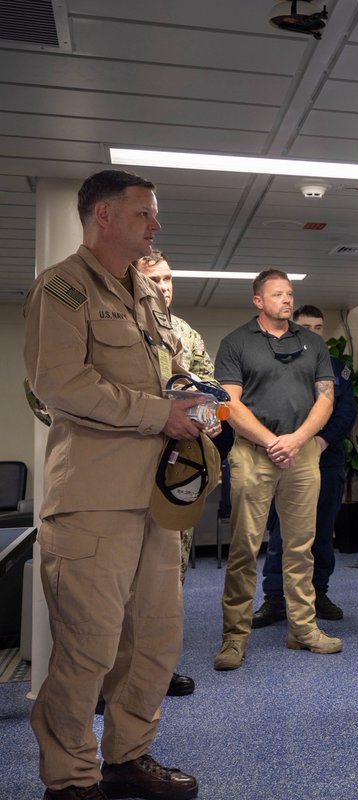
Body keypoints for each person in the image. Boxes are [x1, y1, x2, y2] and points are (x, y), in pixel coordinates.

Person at [24, 169, 205, 800]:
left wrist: (188, 395)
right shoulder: (64, 289)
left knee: (155, 641)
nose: (155, 223)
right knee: (88, 650)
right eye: (144, 214)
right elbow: (61, 385)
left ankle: (128, 757)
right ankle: (71, 777)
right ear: (103, 215)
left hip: (155, 499)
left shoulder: (146, 295)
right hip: (93, 501)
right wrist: (161, 413)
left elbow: (170, 371)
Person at [213, 269, 339, 670]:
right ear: (258, 301)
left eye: (289, 293)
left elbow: (325, 400)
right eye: (277, 294)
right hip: (253, 453)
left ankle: (302, 629)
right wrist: (271, 441)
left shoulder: (313, 343)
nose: (286, 299)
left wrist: (297, 440)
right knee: (244, 549)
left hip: (300, 454)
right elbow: (228, 405)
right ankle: (234, 637)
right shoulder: (236, 343)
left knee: (300, 547)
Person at [136, 249, 214, 699]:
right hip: (124, 466)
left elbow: (205, 386)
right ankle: (115, 675)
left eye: (169, 279)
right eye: (156, 280)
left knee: (170, 578)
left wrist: (207, 416)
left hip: (174, 467)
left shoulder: (184, 332)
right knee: (122, 580)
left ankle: (161, 669)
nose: (165, 287)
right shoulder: (120, 326)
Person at [253, 305, 358, 628]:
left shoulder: (337, 368)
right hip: (285, 462)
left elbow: (345, 412)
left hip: (325, 462)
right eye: (306, 327)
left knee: (322, 533)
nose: (312, 333)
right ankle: (275, 600)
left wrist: (321, 442)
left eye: (318, 327)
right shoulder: (275, 366)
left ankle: (318, 593)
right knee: (281, 533)